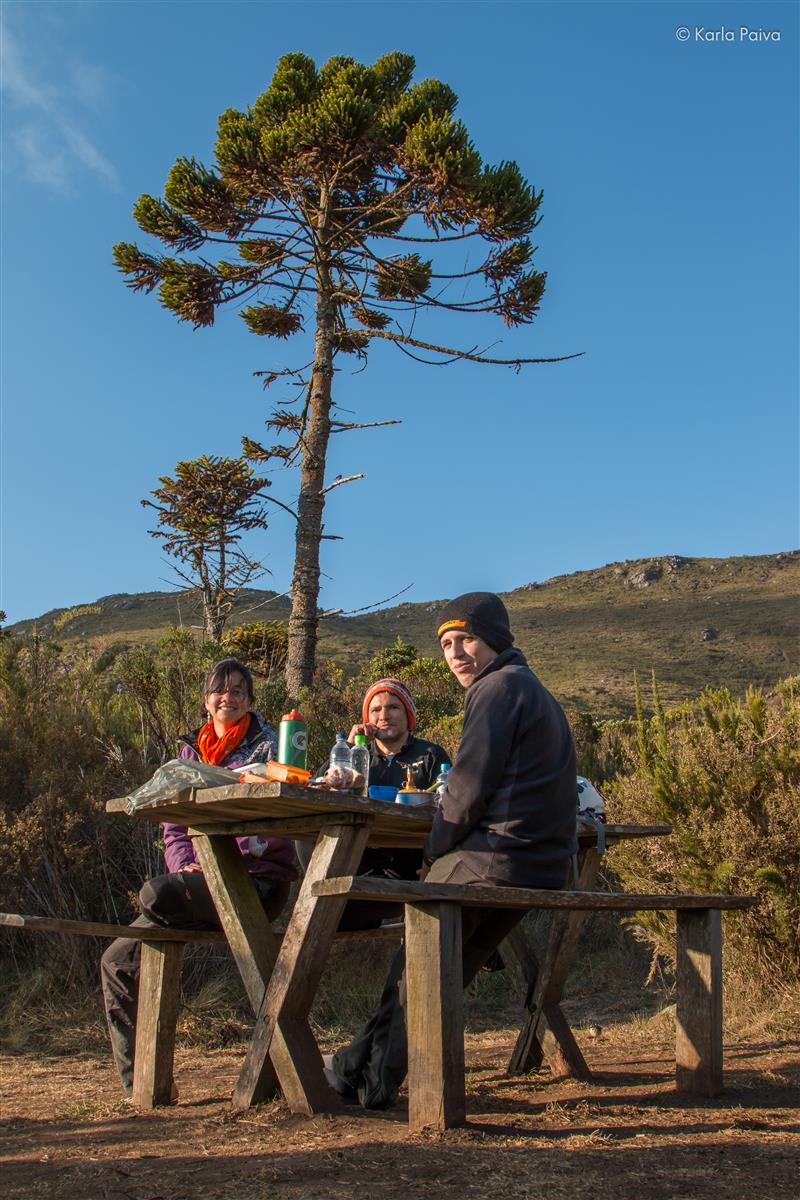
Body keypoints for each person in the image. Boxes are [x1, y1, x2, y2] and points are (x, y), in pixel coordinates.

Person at [325, 593, 578, 1109]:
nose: (457, 652)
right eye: (446, 643)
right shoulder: (532, 690)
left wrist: (431, 850)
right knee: (450, 964)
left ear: (495, 640)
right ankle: (358, 1067)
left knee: (418, 956)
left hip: (500, 858)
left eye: (468, 639)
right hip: (544, 867)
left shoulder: (498, 689)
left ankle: (372, 1081)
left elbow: (465, 791)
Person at [100, 658, 297, 1097]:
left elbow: (283, 814)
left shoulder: (272, 746)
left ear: (250, 700)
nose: (229, 697)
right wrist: (185, 866)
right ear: (207, 699)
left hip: (254, 884)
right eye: (220, 690)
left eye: (239, 690)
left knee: (155, 895)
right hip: (197, 887)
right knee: (117, 958)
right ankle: (143, 1086)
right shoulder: (189, 753)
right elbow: (173, 828)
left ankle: (284, 1071)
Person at [297, 678, 450, 930]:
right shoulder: (360, 757)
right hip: (359, 864)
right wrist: (346, 746)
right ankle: (336, 901)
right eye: (375, 710)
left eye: (393, 707)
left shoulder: (430, 755)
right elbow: (318, 788)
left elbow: (452, 805)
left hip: (412, 869)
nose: (384, 715)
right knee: (303, 836)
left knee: (327, 914)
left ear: (408, 714)